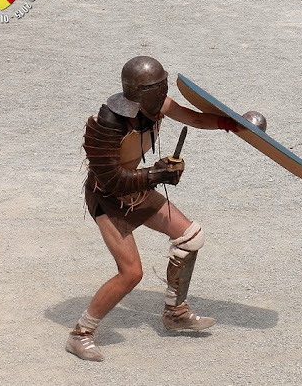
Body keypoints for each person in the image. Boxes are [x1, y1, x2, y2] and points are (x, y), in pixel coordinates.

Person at [66, 56, 240, 362]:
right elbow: (110, 176)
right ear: (141, 93)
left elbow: (194, 118)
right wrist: (158, 175)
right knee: (131, 273)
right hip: (108, 198)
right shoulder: (110, 121)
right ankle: (81, 334)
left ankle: (175, 312)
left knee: (191, 236)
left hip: (137, 190)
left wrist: (229, 123)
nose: (162, 96)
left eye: (162, 89)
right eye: (156, 90)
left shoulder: (157, 105)